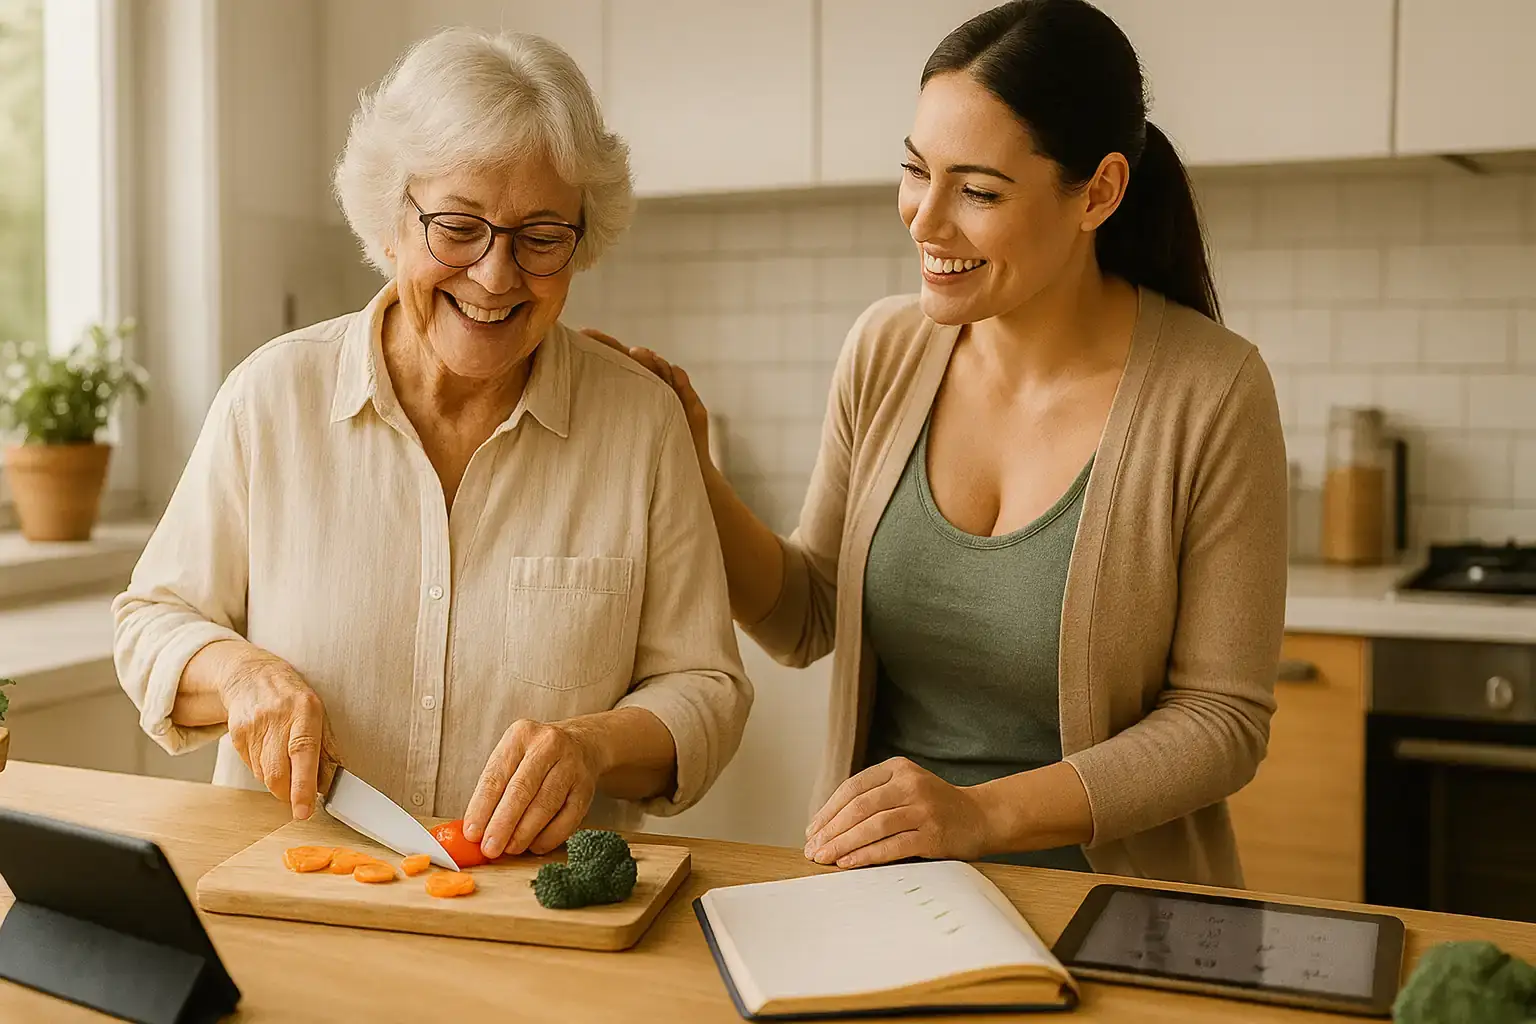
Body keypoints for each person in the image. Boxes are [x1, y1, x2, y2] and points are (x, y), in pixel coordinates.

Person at [592, 0, 1287, 886]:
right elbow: (807, 615)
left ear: (1100, 192)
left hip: (1116, 909)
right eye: (916, 171)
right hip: (891, 900)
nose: (925, 219)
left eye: (979, 191)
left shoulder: (1212, 392)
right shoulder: (885, 350)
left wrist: (979, 814)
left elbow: (1221, 720)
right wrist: (692, 469)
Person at [113, 28, 751, 861]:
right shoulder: (272, 399)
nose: (495, 275)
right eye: (458, 227)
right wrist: (240, 677)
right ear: (389, 222)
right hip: (295, 895)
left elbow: (708, 688)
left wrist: (594, 744)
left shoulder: (639, 426)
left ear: (581, 242)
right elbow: (152, 620)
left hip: (532, 922)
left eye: (541, 236)